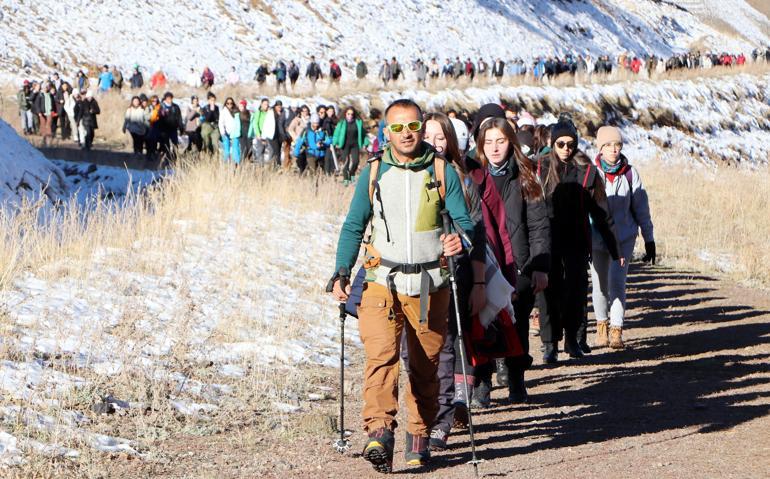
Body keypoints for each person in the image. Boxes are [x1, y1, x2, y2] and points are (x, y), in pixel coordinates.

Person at [329, 98, 474, 472]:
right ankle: (379, 432)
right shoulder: (374, 172)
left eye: (412, 126)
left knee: (425, 368)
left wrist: (460, 239)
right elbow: (353, 225)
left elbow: (466, 224)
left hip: (431, 284)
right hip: (381, 281)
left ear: (422, 127)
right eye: (397, 128)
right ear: (386, 132)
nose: (406, 134)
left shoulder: (443, 171)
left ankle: (419, 433)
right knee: (381, 358)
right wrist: (341, 271)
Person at [468, 112, 550, 410]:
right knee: (483, 323)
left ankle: (517, 380)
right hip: (483, 262)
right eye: (488, 142)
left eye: (500, 141)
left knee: (517, 327)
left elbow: (539, 225)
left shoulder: (527, 174)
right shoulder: (473, 175)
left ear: (510, 142)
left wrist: (540, 266)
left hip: (519, 265)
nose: (494, 147)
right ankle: (483, 383)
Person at [418, 112, 486, 451]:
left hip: (454, 274)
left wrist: (479, 283)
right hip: (413, 276)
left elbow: (478, 233)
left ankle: (442, 419)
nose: (433, 142)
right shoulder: (408, 176)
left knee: (448, 343)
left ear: (451, 141)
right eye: (427, 135)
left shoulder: (462, 179)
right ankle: (428, 412)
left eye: (440, 136)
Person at [537, 118, 621, 363]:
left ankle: (572, 339)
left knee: (575, 291)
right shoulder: (540, 168)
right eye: (560, 143)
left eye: (570, 144)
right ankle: (549, 343)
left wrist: (614, 246)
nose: (565, 148)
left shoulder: (587, 170)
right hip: (548, 238)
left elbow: (601, 211)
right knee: (548, 292)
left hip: (576, 239)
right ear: (553, 144)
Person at [591, 126, 655, 349]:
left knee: (617, 282)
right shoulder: (591, 173)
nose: (613, 150)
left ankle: (616, 330)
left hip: (624, 238)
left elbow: (641, 208)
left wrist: (649, 239)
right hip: (597, 239)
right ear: (600, 148)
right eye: (608, 145)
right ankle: (601, 327)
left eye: (617, 145)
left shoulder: (630, 174)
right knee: (599, 285)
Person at [332, 107, 369, 184]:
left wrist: (365, 143)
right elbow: (336, 134)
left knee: (356, 161)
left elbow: (363, 134)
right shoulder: (341, 123)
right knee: (346, 162)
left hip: (355, 144)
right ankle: (346, 180)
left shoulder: (358, 122)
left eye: (352, 114)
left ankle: (352, 174)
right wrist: (335, 143)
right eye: (348, 114)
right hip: (344, 145)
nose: (350, 115)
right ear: (345, 114)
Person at [156, 92, 183, 163]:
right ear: (165, 99)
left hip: (173, 129)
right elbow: (158, 118)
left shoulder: (175, 107)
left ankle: (175, 158)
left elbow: (179, 118)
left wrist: (181, 127)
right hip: (164, 129)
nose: (169, 100)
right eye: (168, 98)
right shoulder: (161, 107)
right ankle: (166, 159)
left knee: (175, 144)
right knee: (166, 145)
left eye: (170, 98)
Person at [248, 98, 275, 164]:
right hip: (260, 135)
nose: (266, 106)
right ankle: (260, 166)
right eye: (265, 104)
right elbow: (255, 123)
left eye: (267, 104)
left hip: (268, 134)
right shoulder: (258, 112)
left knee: (271, 151)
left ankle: (269, 165)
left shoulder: (270, 112)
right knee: (260, 151)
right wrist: (258, 134)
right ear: (261, 104)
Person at [219, 97, 241, 164]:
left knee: (235, 149)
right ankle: (225, 164)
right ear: (225, 104)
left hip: (234, 133)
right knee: (227, 150)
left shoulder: (236, 111)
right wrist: (223, 133)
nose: (229, 104)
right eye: (228, 103)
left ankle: (237, 165)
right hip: (225, 133)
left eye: (231, 103)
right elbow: (221, 123)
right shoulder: (223, 112)